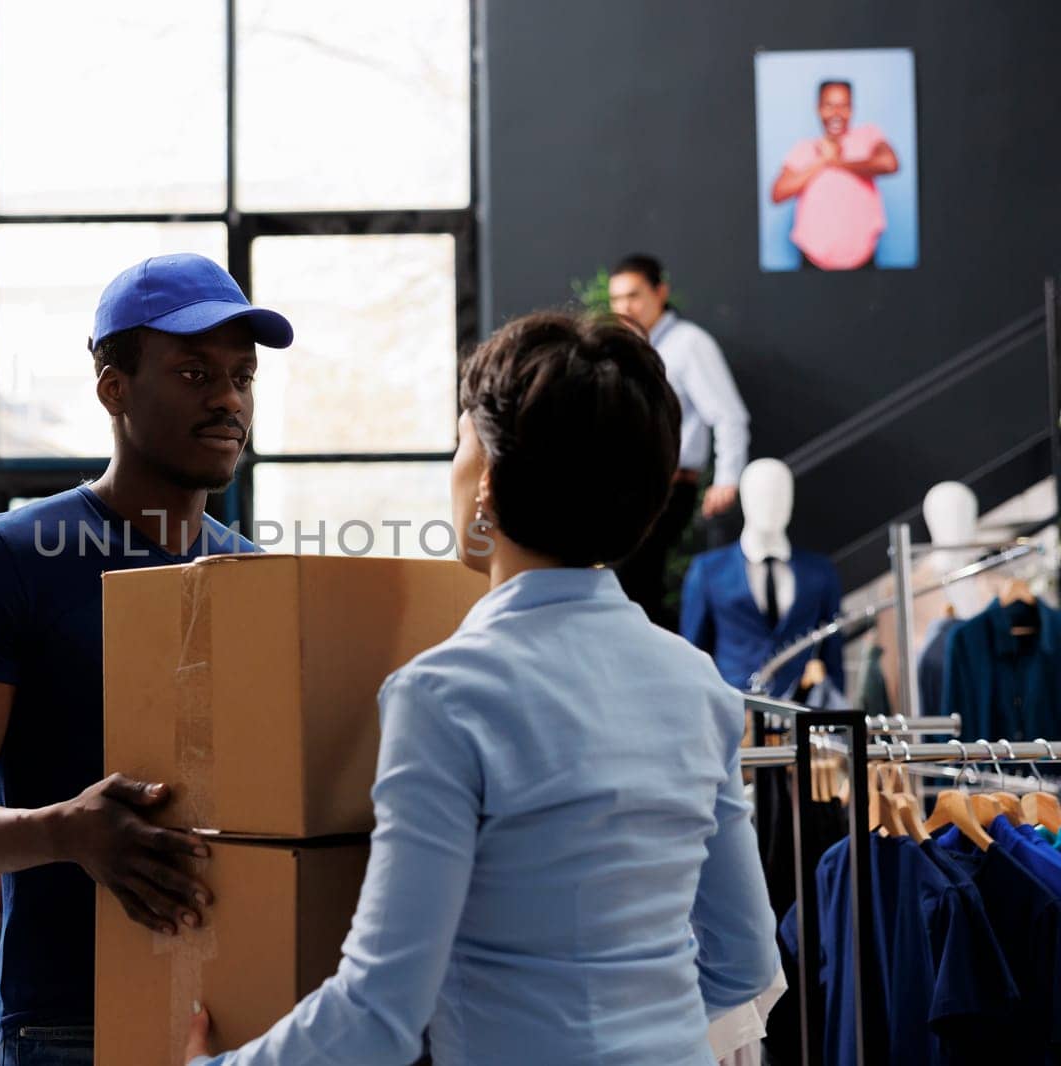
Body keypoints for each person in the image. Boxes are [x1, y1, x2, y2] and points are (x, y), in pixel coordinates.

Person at [185, 311, 778, 1065]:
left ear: (487, 478)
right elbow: (745, 963)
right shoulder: (698, 685)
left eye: (462, 441)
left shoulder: (446, 694)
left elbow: (379, 1014)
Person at [0, 253, 294, 1065]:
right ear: (113, 388)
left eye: (242, 377)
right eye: (194, 372)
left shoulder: (251, 575)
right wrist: (66, 833)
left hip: (239, 1015)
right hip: (69, 1023)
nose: (228, 399)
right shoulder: (11, 559)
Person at [609, 254, 750, 630]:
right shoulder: (628, 346)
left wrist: (726, 479)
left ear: (660, 292)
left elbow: (729, 414)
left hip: (670, 487)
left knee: (634, 580)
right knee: (636, 583)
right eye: (617, 299)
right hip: (632, 489)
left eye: (634, 295)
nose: (625, 306)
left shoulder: (689, 344)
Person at [770, 79, 900, 271]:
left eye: (843, 106)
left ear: (851, 109)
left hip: (864, 261)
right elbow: (778, 193)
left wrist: (835, 161)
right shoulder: (804, 149)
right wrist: (822, 161)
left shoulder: (869, 136)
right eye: (829, 106)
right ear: (819, 109)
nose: (836, 113)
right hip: (813, 263)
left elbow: (889, 163)